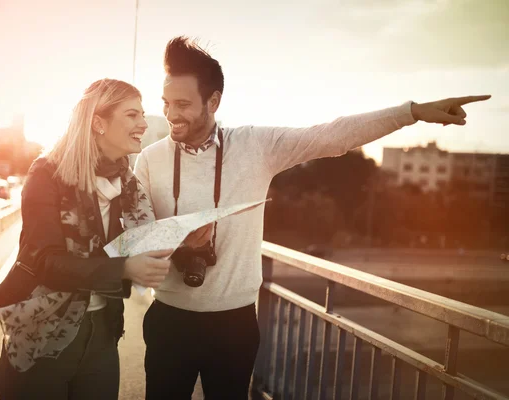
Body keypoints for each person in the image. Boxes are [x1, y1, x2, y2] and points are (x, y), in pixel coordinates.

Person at [133, 36, 491, 400]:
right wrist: (177, 242)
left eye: (182, 104)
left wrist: (411, 112)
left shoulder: (254, 146)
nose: (171, 113)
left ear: (213, 101)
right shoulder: (149, 159)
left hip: (234, 325)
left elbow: (330, 137)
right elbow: (135, 239)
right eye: (165, 103)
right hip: (170, 320)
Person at [0, 78, 174, 400]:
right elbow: (47, 261)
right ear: (98, 123)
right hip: (42, 334)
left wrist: (188, 241)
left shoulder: (127, 183)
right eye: (132, 115)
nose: (143, 123)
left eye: (143, 115)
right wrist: (124, 269)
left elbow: (145, 239)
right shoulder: (47, 173)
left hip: (102, 333)